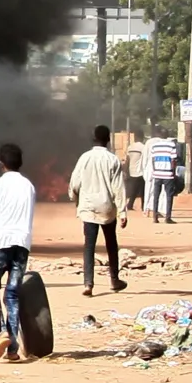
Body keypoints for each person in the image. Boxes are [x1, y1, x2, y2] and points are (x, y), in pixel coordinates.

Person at [0, 143, 35, 363]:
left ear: (1, 164)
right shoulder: (29, 186)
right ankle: (13, 349)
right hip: (22, 244)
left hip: (1, 242)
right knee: (12, 295)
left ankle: (1, 332)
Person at [71, 125, 130, 296]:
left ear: (93, 138)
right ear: (108, 140)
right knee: (111, 243)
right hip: (107, 208)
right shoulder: (113, 160)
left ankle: (88, 284)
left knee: (89, 246)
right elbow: (118, 187)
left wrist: (76, 200)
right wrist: (122, 212)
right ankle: (114, 280)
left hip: (88, 207)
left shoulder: (84, 158)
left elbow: (75, 183)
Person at [145, 128, 181, 223]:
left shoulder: (154, 146)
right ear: (167, 135)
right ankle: (167, 217)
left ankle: (155, 217)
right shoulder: (171, 145)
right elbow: (173, 160)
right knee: (169, 195)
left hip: (157, 173)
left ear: (159, 135)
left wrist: (155, 170)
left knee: (156, 195)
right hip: (168, 174)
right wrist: (173, 172)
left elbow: (153, 159)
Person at [124, 133, 146, 220]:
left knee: (133, 189)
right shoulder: (143, 147)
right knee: (143, 190)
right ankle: (144, 206)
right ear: (142, 137)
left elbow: (127, 160)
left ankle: (130, 205)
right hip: (140, 171)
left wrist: (126, 170)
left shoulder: (130, 147)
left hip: (131, 170)